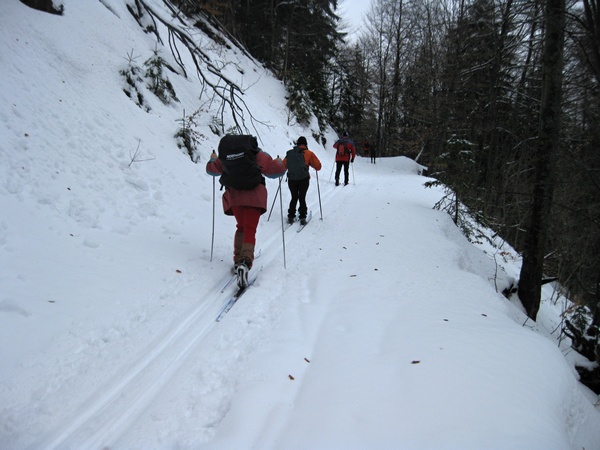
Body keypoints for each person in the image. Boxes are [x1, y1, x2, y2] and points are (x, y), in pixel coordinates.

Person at [206, 134, 286, 287]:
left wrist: (212, 159)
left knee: (241, 227)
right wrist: (279, 162)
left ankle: (237, 261)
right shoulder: (258, 155)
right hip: (254, 197)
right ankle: (245, 262)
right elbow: (276, 171)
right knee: (250, 229)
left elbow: (211, 170)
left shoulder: (226, 157)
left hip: (234, 198)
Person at [282, 136, 322, 225]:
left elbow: (283, 165)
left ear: (297, 144)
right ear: (306, 144)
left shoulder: (290, 153)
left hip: (292, 179)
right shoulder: (309, 153)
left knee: (294, 197)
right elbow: (318, 166)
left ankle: (291, 216)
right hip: (304, 179)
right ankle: (302, 217)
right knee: (302, 197)